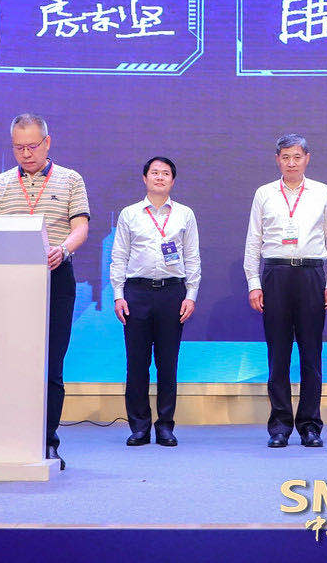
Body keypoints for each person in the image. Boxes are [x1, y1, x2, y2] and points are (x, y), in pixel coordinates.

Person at [0, 113, 89, 468]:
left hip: (56, 277)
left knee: (51, 363)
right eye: (18, 147)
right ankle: (7, 439)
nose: (25, 153)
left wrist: (64, 249)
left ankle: (47, 440)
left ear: (47, 142)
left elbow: (80, 227)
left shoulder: (70, 179)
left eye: (32, 146)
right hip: (8, 280)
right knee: (8, 361)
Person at [243, 134, 327, 448]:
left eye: (297, 156)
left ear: (307, 158)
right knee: (278, 355)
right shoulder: (264, 193)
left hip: (312, 274)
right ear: (277, 160)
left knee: (311, 355)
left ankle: (310, 426)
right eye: (285, 157)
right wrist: (254, 283)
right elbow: (253, 241)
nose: (291, 163)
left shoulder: (322, 192)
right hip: (275, 274)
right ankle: (280, 426)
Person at [110, 157, 200, 447]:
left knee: (167, 363)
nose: (160, 177)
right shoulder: (129, 214)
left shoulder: (185, 214)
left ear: (173, 180)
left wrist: (190, 295)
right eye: (154, 173)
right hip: (136, 293)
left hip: (172, 292)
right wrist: (118, 294)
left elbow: (192, 257)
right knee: (137, 363)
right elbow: (119, 256)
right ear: (145, 178)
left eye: (165, 173)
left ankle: (165, 426)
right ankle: (139, 427)